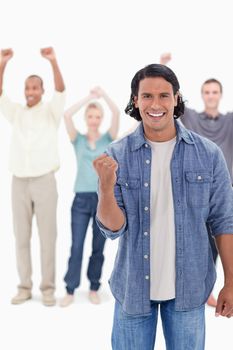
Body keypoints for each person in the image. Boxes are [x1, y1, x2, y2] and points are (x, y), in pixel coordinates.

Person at [93, 63, 233, 349]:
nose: (155, 104)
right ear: (135, 100)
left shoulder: (208, 154)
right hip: (133, 289)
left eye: (164, 96)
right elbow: (113, 229)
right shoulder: (117, 155)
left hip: (190, 289)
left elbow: (224, 221)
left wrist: (230, 281)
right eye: (146, 96)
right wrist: (106, 188)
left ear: (176, 98)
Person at [160, 52, 233, 307]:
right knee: (196, 242)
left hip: (224, 191)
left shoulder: (229, 121)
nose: (211, 96)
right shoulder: (192, 118)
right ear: (203, 95)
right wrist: (164, 66)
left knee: (221, 238)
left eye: (215, 92)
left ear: (220, 95)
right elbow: (169, 100)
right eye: (207, 92)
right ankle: (196, 289)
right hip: (195, 190)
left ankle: (216, 287)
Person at [0, 47, 65, 306]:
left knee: (47, 237)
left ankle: (47, 288)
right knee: (21, 236)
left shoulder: (51, 111)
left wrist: (53, 60)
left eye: (35, 87)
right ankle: (24, 287)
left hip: (44, 181)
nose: (30, 92)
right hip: (19, 182)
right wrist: (2, 64)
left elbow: (61, 89)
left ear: (42, 90)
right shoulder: (16, 113)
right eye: (27, 88)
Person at [60, 86, 120, 307]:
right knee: (76, 246)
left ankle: (94, 286)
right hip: (80, 200)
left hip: (102, 200)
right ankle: (70, 289)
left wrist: (103, 94)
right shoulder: (78, 139)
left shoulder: (108, 138)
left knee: (98, 246)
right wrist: (89, 98)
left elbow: (116, 114)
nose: (94, 120)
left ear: (101, 118)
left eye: (97, 116)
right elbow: (67, 115)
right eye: (90, 116)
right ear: (86, 118)